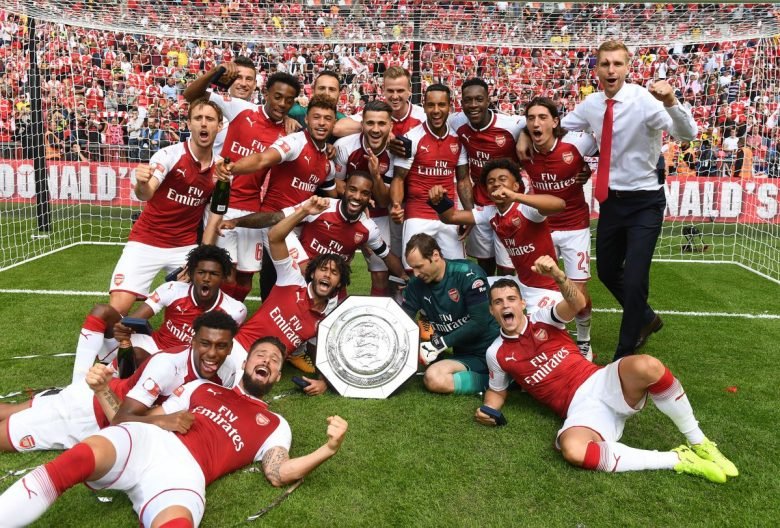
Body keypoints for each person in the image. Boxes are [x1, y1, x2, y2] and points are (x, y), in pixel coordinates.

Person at [0, 337, 349, 527]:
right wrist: (103, 391)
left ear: (276, 377)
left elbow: (279, 473)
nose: (268, 362)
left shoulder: (275, 425)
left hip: (187, 475)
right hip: (150, 443)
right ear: (245, 363)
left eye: (275, 361)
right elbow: (129, 422)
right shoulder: (200, 387)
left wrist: (328, 449)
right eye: (262, 354)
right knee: (77, 459)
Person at [475, 255, 737, 483]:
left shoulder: (543, 318)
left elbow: (577, 304)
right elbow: (497, 391)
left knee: (648, 365)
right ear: (491, 310)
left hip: (600, 380)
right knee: (574, 450)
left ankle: (699, 442)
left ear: (522, 304)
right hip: (581, 410)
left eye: (511, 299)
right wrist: (488, 410)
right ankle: (678, 459)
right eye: (498, 302)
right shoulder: (496, 353)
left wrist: (558, 275)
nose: (505, 305)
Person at [524, 40, 698, 360]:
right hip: (611, 203)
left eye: (617, 64)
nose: (611, 69)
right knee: (605, 272)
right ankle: (645, 318)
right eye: (605, 64)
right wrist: (526, 132)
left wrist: (672, 100)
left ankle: (622, 355)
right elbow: (559, 129)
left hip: (645, 202)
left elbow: (687, 134)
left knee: (634, 280)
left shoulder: (644, 101)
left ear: (628, 67)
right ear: (597, 70)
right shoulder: (592, 104)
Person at [0, 311, 238, 453]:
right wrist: (165, 421)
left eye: (221, 346)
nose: (213, 353)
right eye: (206, 343)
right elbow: (121, 420)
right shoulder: (168, 366)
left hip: (105, 402)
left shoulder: (227, 371)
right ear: (193, 341)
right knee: (4, 436)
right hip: (90, 412)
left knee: (11, 410)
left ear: (230, 347)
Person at [186, 63, 301, 301]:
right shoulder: (242, 109)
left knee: (247, 278)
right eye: (277, 97)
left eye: (288, 101)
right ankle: (216, 317)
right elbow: (191, 95)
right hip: (222, 205)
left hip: (252, 212)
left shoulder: (290, 134)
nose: (281, 104)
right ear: (266, 93)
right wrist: (214, 72)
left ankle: (233, 318)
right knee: (225, 274)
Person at [216, 94, 339, 301]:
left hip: (298, 224)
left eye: (327, 119)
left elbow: (333, 194)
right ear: (307, 120)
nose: (321, 123)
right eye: (316, 117)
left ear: (333, 123)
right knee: (306, 271)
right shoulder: (295, 142)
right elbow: (263, 159)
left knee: (281, 281)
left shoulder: (328, 164)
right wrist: (234, 168)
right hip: (273, 221)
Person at [108, 99, 223, 316]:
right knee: (117, 309)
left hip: (183, 247)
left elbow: (214, 219)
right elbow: (147, 193)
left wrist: (199, 256)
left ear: (219, 126)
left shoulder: (222, 170)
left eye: (210, 119)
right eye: (198, 118)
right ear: (189, 124)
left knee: (197, 311)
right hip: (146, 241)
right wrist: (141, 183)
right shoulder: (168, 155)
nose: (204, 124)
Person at [225, 196, 349, 393]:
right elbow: (274, 236)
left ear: (339, 284)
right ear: (313, 273)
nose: (327, 274)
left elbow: (324, 352)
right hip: (238, 349)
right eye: (323, 269)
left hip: (269, 369)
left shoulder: (328, 316)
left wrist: (323, 381)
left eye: (334, 273)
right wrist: (304, 211)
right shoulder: (291, 279)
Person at [73, 245, 246, 383]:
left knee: (136, 355)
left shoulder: (235, 310)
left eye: (214, 274)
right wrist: (122, 328)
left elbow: (225, 350)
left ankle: (114, 385)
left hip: (182, 363)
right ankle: (78, 382)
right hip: (153, 344)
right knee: (102, 311)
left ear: (223, 277)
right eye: (201, 273)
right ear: (192, 274)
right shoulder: (172, 290)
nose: (206, 278)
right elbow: (134, 319)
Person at [429, 159, 570, 318]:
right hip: (518, 284)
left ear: (516, 185)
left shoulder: (526, 209)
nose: (496, 183)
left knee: (539, 335)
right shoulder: (490, 212)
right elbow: (451, 217)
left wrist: (515, 196)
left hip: (545, 289)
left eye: (502, 179)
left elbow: (559, 204)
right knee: (468, 287)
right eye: (491, 181)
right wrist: (439, 201)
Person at [520, 97, 598, 359]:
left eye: (543, 117)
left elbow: (604, 136)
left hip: (575, 226)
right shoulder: (524, 149)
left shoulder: (578, 144)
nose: (536, 123)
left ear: (555, 122)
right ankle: (544, 337)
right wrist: (522, 135)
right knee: (539, 287)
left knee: (579, 293)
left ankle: (584, 339)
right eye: (531, 119)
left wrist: (587, 168)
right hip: (542, 228)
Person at [400, 233, 498, 395]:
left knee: (435, 376)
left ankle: (499, 382)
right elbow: (402, 321)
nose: (416, 273)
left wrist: (439, 344)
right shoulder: (416, 285)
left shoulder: (468, 274)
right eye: (413, 268)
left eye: (419, 266)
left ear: (435, 256)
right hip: (464, 355)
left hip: (492, 350)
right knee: (434, 378)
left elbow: (479, 322)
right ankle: (494, 379)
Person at [450, 77, 526, 276]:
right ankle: (484, 306)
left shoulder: (512, 125)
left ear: (488, 100)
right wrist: (468, 213)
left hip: (509, 206)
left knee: (508, 269)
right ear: (461, 102)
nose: (473, 105)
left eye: (479, 99)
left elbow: (540, 122)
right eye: (468, 100)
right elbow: (463, 176)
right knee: (484, 264)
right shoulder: (457, 123)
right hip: (480, 204)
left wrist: (524, 135)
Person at [390, 84, 471, 268]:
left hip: (448, 214)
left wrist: (469, 213)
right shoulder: (412, 138)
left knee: (457, 269)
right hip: (418, 213)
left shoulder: (457, 140)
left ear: (450, 106)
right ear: (424, 106)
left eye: (441, 105)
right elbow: (399, 178)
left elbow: (463, 180)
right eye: (431, 105)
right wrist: (396, 205)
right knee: (413, 268)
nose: (436, 111)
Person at [332, 100, 398, 296]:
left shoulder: (396, 153)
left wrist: (376, 175)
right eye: (370, 123)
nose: (375, 129)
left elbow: (384, 200)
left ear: (390, 125)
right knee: (334, 268)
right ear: (362, 124)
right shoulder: (344, 146)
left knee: (380, 276)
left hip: (380, 216)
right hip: (345, 212)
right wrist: (358, 207)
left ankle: (376, 322)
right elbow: (336, 184)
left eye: (381, 123)